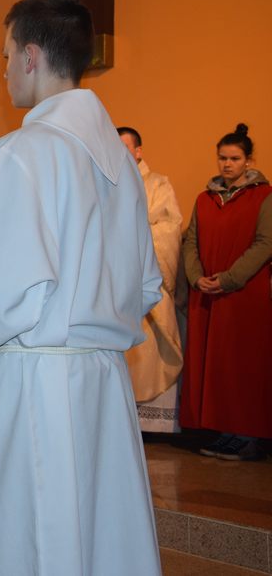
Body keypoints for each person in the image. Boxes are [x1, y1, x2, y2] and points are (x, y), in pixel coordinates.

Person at [0, 0, 163, 576]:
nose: (4, 70)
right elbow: (147, 283)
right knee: (99, 536)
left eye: (6, 55)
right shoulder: (121, 162)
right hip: (104, 380)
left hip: (38, 379)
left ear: (31, 56)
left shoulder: (27, 149)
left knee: (36, 535)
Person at [181, 123, 272, 462]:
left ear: (249, 161)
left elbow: (266, 243)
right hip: (207, 293)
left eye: (234, 158)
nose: (227, 164)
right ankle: (224, 430)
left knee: (242, 363)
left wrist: (230, 278)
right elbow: (191, 241)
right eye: (222, 158)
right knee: (215, 364)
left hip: (243, 293)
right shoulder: (204, 199)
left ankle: (247, 435)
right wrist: (196, 277)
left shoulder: (264, 196)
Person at [117, 126, 185, 432]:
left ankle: (150, 425)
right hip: (114, 285)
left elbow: (168, 228)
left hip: (145, 278)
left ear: (138, 151)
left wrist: (135, 252)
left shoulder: (158, 184)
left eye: (124, 147)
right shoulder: (102, 182)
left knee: (149, 353)